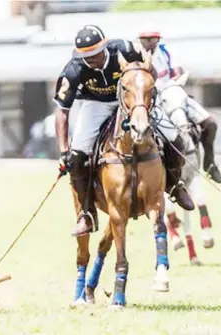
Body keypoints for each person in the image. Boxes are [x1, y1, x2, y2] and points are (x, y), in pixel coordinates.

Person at [53, 25, 195, 237]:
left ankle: (175, 185)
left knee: (174, 137)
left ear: (105, 46)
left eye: (95, 54)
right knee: (76, 157)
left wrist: (144, 90)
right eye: (86, 56)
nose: (91, 60)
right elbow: (62, 112)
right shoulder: (72, 70)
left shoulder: (126, 48)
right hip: (95, 104)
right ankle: (87, 214)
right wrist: (64, 150)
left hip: (132, 99)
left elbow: (150, 72)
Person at [137, 28, 221, 183]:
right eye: (146, 39)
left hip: (173, 91)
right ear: (140, 40)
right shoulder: (136, 56)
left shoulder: (166, 52)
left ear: (158, 40)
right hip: (153, 99)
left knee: (210, 124)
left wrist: (172, 82)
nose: (149, 42)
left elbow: (177, 71)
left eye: (153, 39)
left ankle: (210, 163)